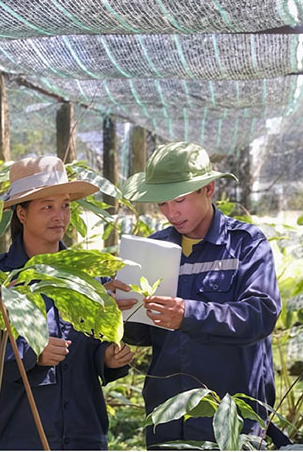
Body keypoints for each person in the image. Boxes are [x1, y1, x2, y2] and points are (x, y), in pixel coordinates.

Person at [0, 155, 134, 450]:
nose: (59, 216)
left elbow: (91, 350)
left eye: (65, 206)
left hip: (83, 435)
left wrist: (108, 359)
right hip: (18, 437)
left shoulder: (86, 274)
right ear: (21, 214)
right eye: (47, 207)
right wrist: (29, 354)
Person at [116, 141, 281, 446]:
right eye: (162, 204)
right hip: (168, 415)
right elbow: (143, 335)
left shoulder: (246, 244)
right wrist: (121, 310)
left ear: (209, 190)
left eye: (178, 200)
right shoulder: (154, 250)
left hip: (230, 418)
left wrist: (188, 314)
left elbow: (261, 315)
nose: (171, 213)